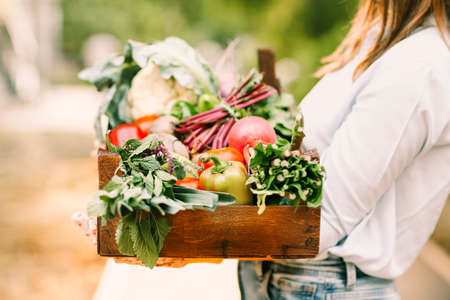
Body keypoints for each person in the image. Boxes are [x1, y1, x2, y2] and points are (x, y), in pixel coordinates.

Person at [238, 0, 450, 299]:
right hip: (294, 279)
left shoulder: (419, 64)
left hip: (325, 286)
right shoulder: (382, 40)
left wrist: (202, 232)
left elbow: (324, 218)